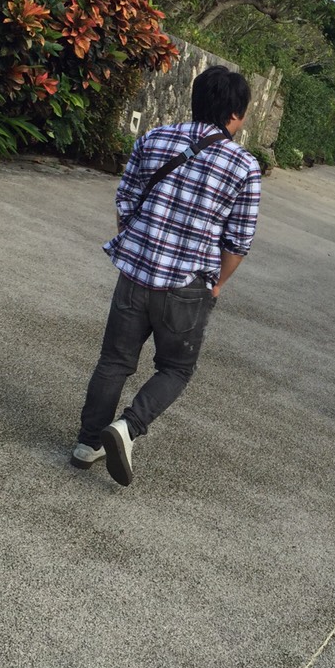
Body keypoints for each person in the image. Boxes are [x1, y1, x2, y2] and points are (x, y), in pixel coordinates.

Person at [73, 65, 261, 485]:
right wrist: (218, 284)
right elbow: (238, 242)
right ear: (235, 114)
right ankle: (128, 427)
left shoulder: (154, 138)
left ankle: (87, 444)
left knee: (114, 361)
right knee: (176, 368)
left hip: (134, 273)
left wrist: (140, 246)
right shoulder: (244, 166)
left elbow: (126, 200)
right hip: (187, 284)